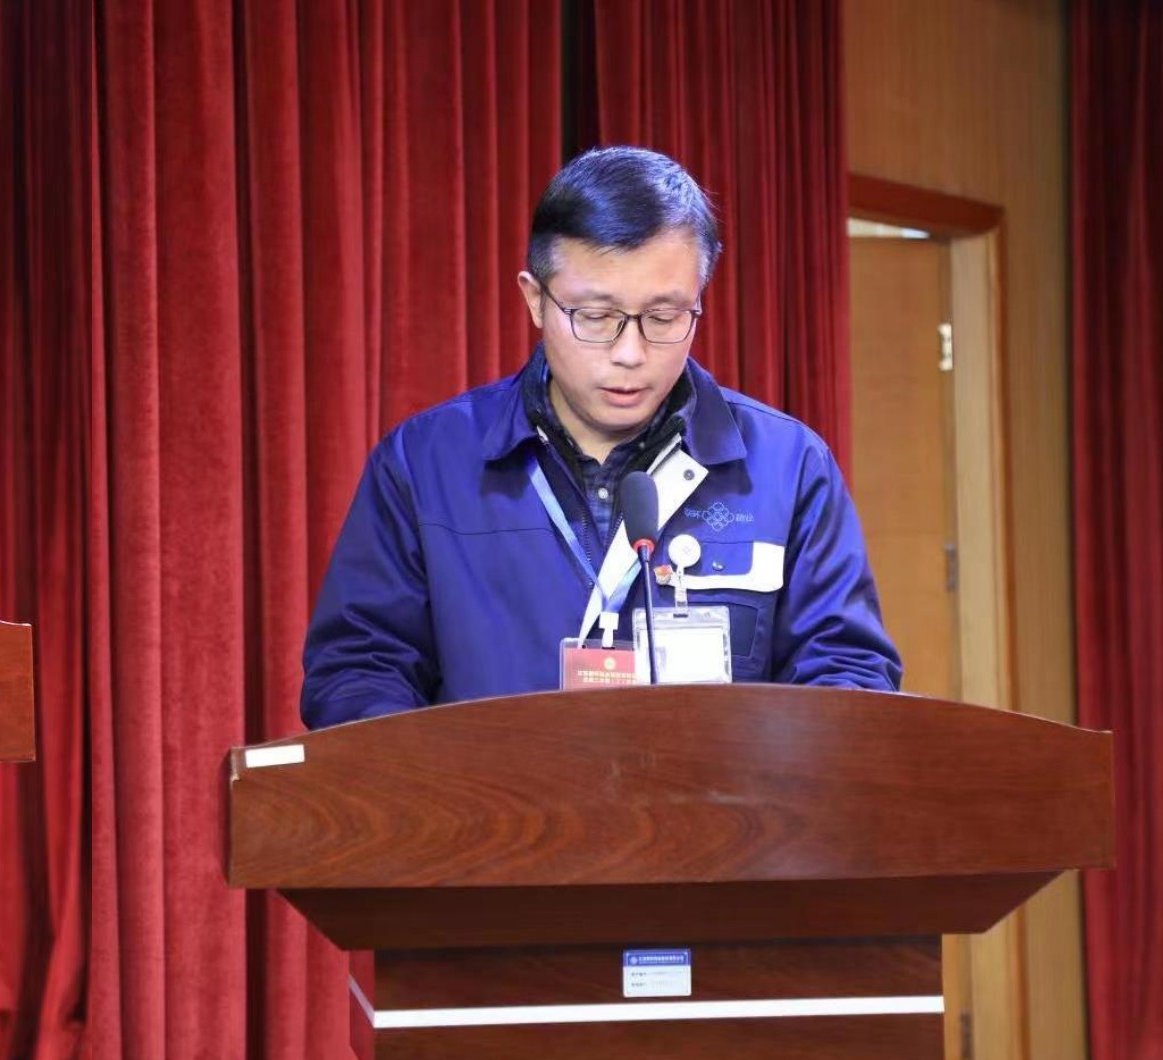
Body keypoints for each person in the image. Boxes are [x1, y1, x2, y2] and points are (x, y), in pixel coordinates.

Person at [300, 146, 901, 728]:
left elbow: (846, 673)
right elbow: (358, 669)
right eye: (595, 317)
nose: (630, 353)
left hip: (719, 799)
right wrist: (452, 787)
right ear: (535, 300)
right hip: (487, 800)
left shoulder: (787, 467)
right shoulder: (426, 463)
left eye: (664, 317)